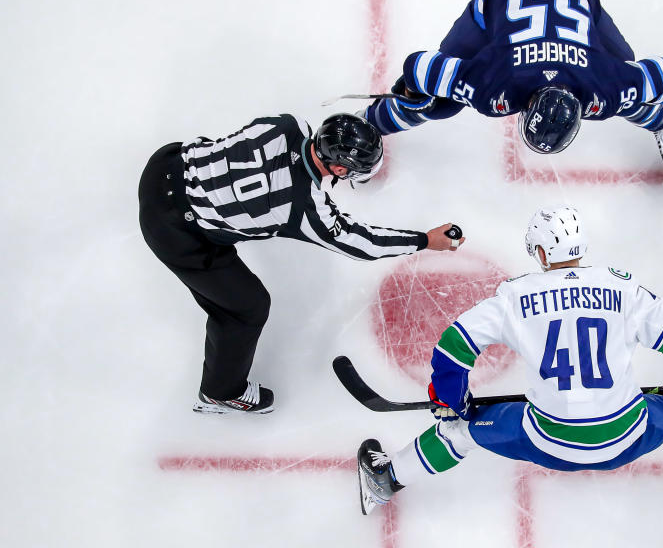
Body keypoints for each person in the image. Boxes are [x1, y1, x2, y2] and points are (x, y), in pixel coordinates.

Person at [356, 205, 663, 513]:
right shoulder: (620, 288)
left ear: (539, 252)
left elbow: (452, 346)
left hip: (548, 440)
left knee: (461, 433)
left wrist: (452, 399)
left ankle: (385, 481)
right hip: (629, 433)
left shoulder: (516, 296)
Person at [138, 113, 463, 414]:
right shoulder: (305, 209)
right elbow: (364, 243)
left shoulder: (286, 124)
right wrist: (425, 240)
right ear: (338, 169)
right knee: (247, 307)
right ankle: (220, 392)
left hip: (166, 163)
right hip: (172, 229)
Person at [363, 0, 663, 178]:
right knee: (439, 101)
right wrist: (415, 88)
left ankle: (370, 123)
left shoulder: (604, 85)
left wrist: (413, 88)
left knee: (628, 84)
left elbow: (420, 67)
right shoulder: (601, 85)